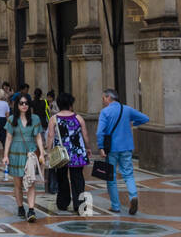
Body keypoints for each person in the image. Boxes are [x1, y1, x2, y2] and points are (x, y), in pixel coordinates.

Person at [96, 88, 149, 216]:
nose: (103, 101)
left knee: (111, 177)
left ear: (109, 98)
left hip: (111, 149)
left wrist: (101, 147)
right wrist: (132, 122)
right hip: (126, 147)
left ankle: (115, 206)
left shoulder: (105, 112)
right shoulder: (127, 109)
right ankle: (133, 197)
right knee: (129, 175)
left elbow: (99, 132)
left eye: (103, 98)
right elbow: (145, 118)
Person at [2, 94, 46, 221]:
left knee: (31, 181)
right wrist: (5, 155)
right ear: (17, 105)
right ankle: (20, 206)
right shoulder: (11, 119)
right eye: (21, 103)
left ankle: (31, 210)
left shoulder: (35, 119)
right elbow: (8, 138)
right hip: (15, 153)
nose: (24, 105)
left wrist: (42, 153)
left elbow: (38, 137)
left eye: (26, 103)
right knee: (18, 184)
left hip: (30, 153)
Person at [46, 92, 90, 214]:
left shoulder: (54, 119)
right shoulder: (78, 118)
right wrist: (88, 147)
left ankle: (63, 202)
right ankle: (79, 204)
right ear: (70, 104)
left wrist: (48, 151)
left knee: (62, 178)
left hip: (61, 153)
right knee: (78, 179)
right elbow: (85, 135)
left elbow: (50, 136)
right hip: (77, 152)